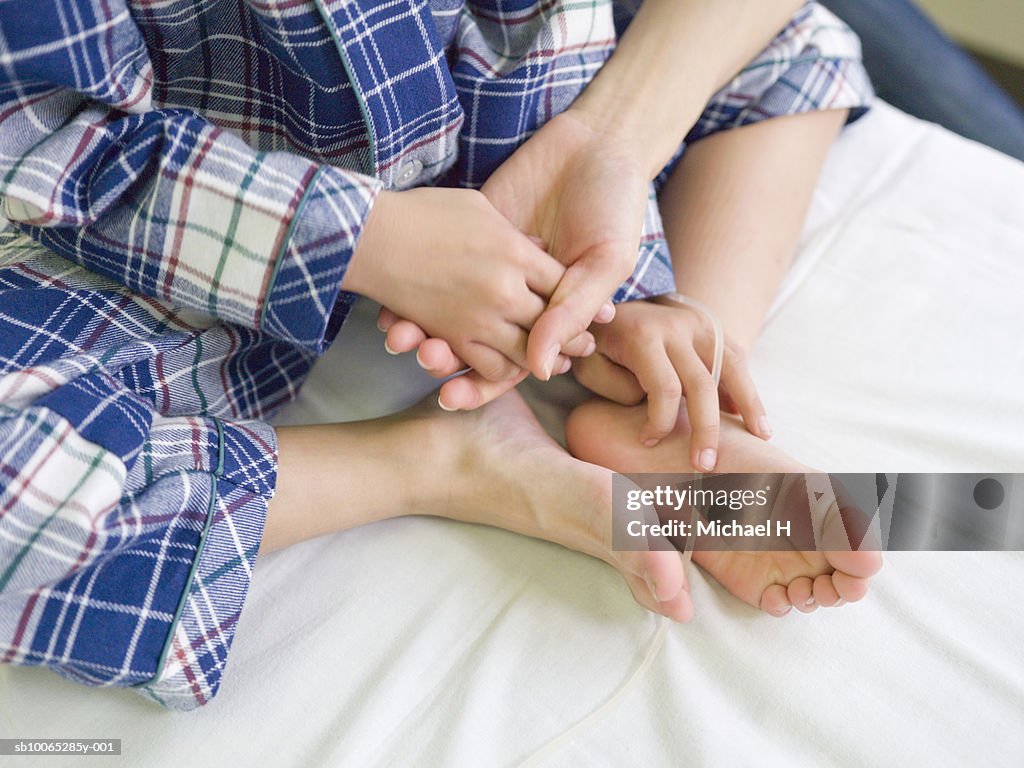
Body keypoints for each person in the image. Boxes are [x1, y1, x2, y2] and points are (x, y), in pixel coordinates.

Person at [0, 0, 876, 712]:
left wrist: (624, 244)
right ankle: (449, 458)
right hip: (148, 222)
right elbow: (43, 140)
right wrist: (366, 242)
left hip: (502, 105)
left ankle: (675, 392)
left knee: (784, 46)